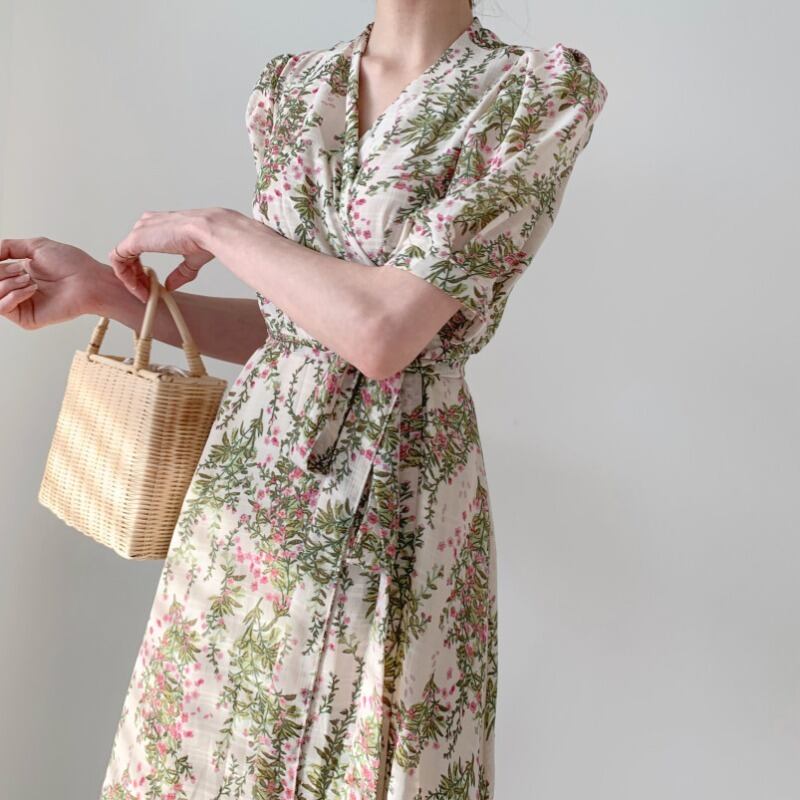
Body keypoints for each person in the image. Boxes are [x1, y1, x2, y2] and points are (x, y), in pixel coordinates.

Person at [0, 1, 608, 797]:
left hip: (401, 502)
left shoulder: (532, 95)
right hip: (245, 511)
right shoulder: (292, 90)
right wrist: (105, 294)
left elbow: (382, 334)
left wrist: (221, 230)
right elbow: (297, 331)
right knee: (204, 755)